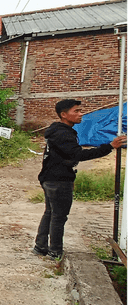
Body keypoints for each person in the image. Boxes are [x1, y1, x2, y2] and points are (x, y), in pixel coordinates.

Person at [33, 99, 127, 259]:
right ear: (64, 114)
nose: (80, 114)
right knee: (58, 216)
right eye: (76, 111)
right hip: (59, 180)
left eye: (80, 110)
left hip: (50, 178)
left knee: (50, 212)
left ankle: (40, 246)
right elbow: (79, 155)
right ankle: (55, 251)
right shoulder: (63, 134)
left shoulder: (58, 131)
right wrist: (110, 146)